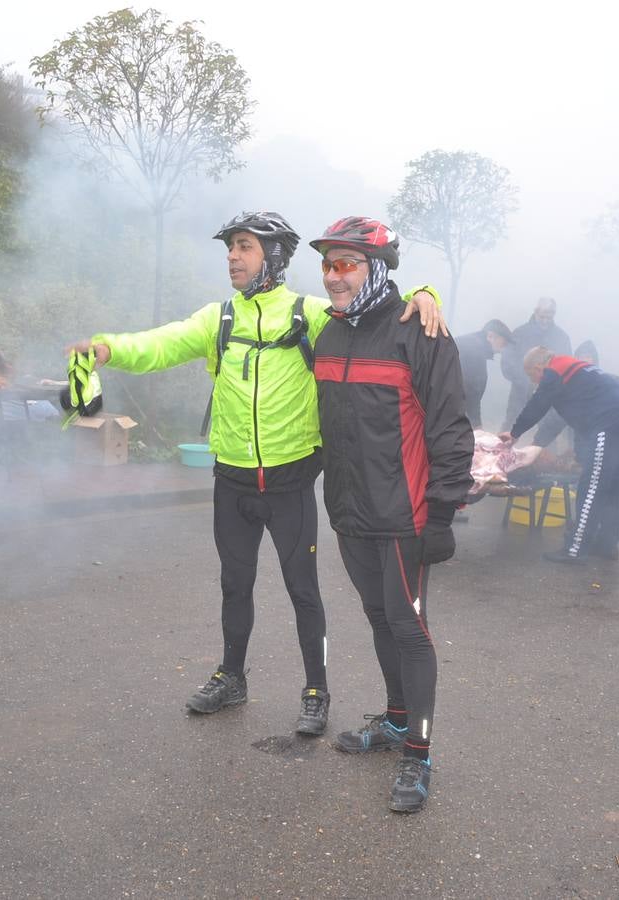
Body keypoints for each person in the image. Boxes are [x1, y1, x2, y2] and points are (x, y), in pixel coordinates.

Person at [68, 211, 443, 734]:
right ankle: (232, 677)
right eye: (230, 248)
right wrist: (108, 348)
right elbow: (162, 342)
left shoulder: (308, 315)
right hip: (233, 481)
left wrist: (423, 293)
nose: (232, 257)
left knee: (303, 591)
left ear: (274, 256)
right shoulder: (219, 319)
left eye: (243, 247)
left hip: (290, 482)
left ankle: (317, 691)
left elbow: (370, 308)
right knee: (234, 585)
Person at [309, 216, 473, 815]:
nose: (333, 276)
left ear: (375, 269)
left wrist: (444, 514)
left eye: (346, 263)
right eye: (327, 264)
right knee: (378, 618)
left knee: (409, 627)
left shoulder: (418, 331)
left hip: (406, 515)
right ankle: (398, 722)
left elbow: (450, 427)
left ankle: (420, 755)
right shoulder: (328, 333)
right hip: (351, 512)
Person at [499, 346, 619, 562]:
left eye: (532, 376)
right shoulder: (574, 370)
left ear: (538, 367)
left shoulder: (554, 370)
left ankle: (575, 549)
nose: (536, 382)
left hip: (608, 424)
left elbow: (538, 404)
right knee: (610, 487)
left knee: (591, 486)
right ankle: (607, 544)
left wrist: (515, 433)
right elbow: (565, 417)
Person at [499, 297, 572, 431]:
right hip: (519, 392)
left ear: (554, 315)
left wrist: (550, 383)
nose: (545, 321)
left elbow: (566, 365)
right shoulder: (520, 333)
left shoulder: (561, 337)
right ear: (535, 312)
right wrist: (524, 379)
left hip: (547, 393)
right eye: (542, 316)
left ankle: (544, 451)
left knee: (547, 431)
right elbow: (507, 363)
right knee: (510, 427)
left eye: (548, 317)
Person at [457, 319, 513, 428]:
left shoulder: (471, 343)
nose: (502, 350)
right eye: (503, 344)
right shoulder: (476, 350)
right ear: (491, 336)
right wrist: (477, 425)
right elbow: (473, 391)